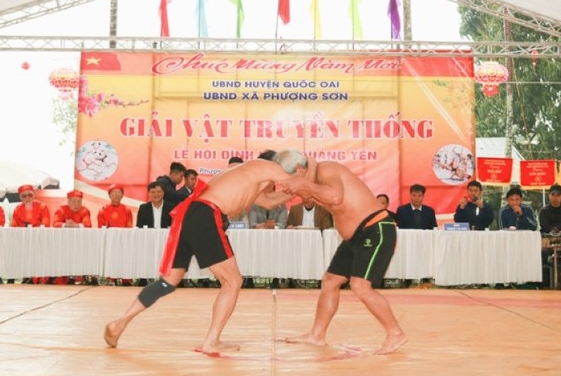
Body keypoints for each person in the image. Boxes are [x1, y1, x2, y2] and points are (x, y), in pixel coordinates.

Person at [104, 158, 293, 354]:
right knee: (232, 281)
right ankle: (211, 341)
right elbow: (294, 181)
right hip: (206, 215)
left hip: (190, 215)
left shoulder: (243, 179)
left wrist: (292, 192)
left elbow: (269, 201)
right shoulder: (259, 166)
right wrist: (308, 182)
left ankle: (120, 322)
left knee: (167, 282)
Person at [274, 150, 407, 355]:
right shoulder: (312, 183)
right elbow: (278, 198)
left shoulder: (327, 169)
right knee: (330, 281)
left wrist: (304, 185)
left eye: (289, 178)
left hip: (375, 228)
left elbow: (335, 197)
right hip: (355, 237)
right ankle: (317, 335)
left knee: (360, 285)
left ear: (300, 170)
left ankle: (395, 332)